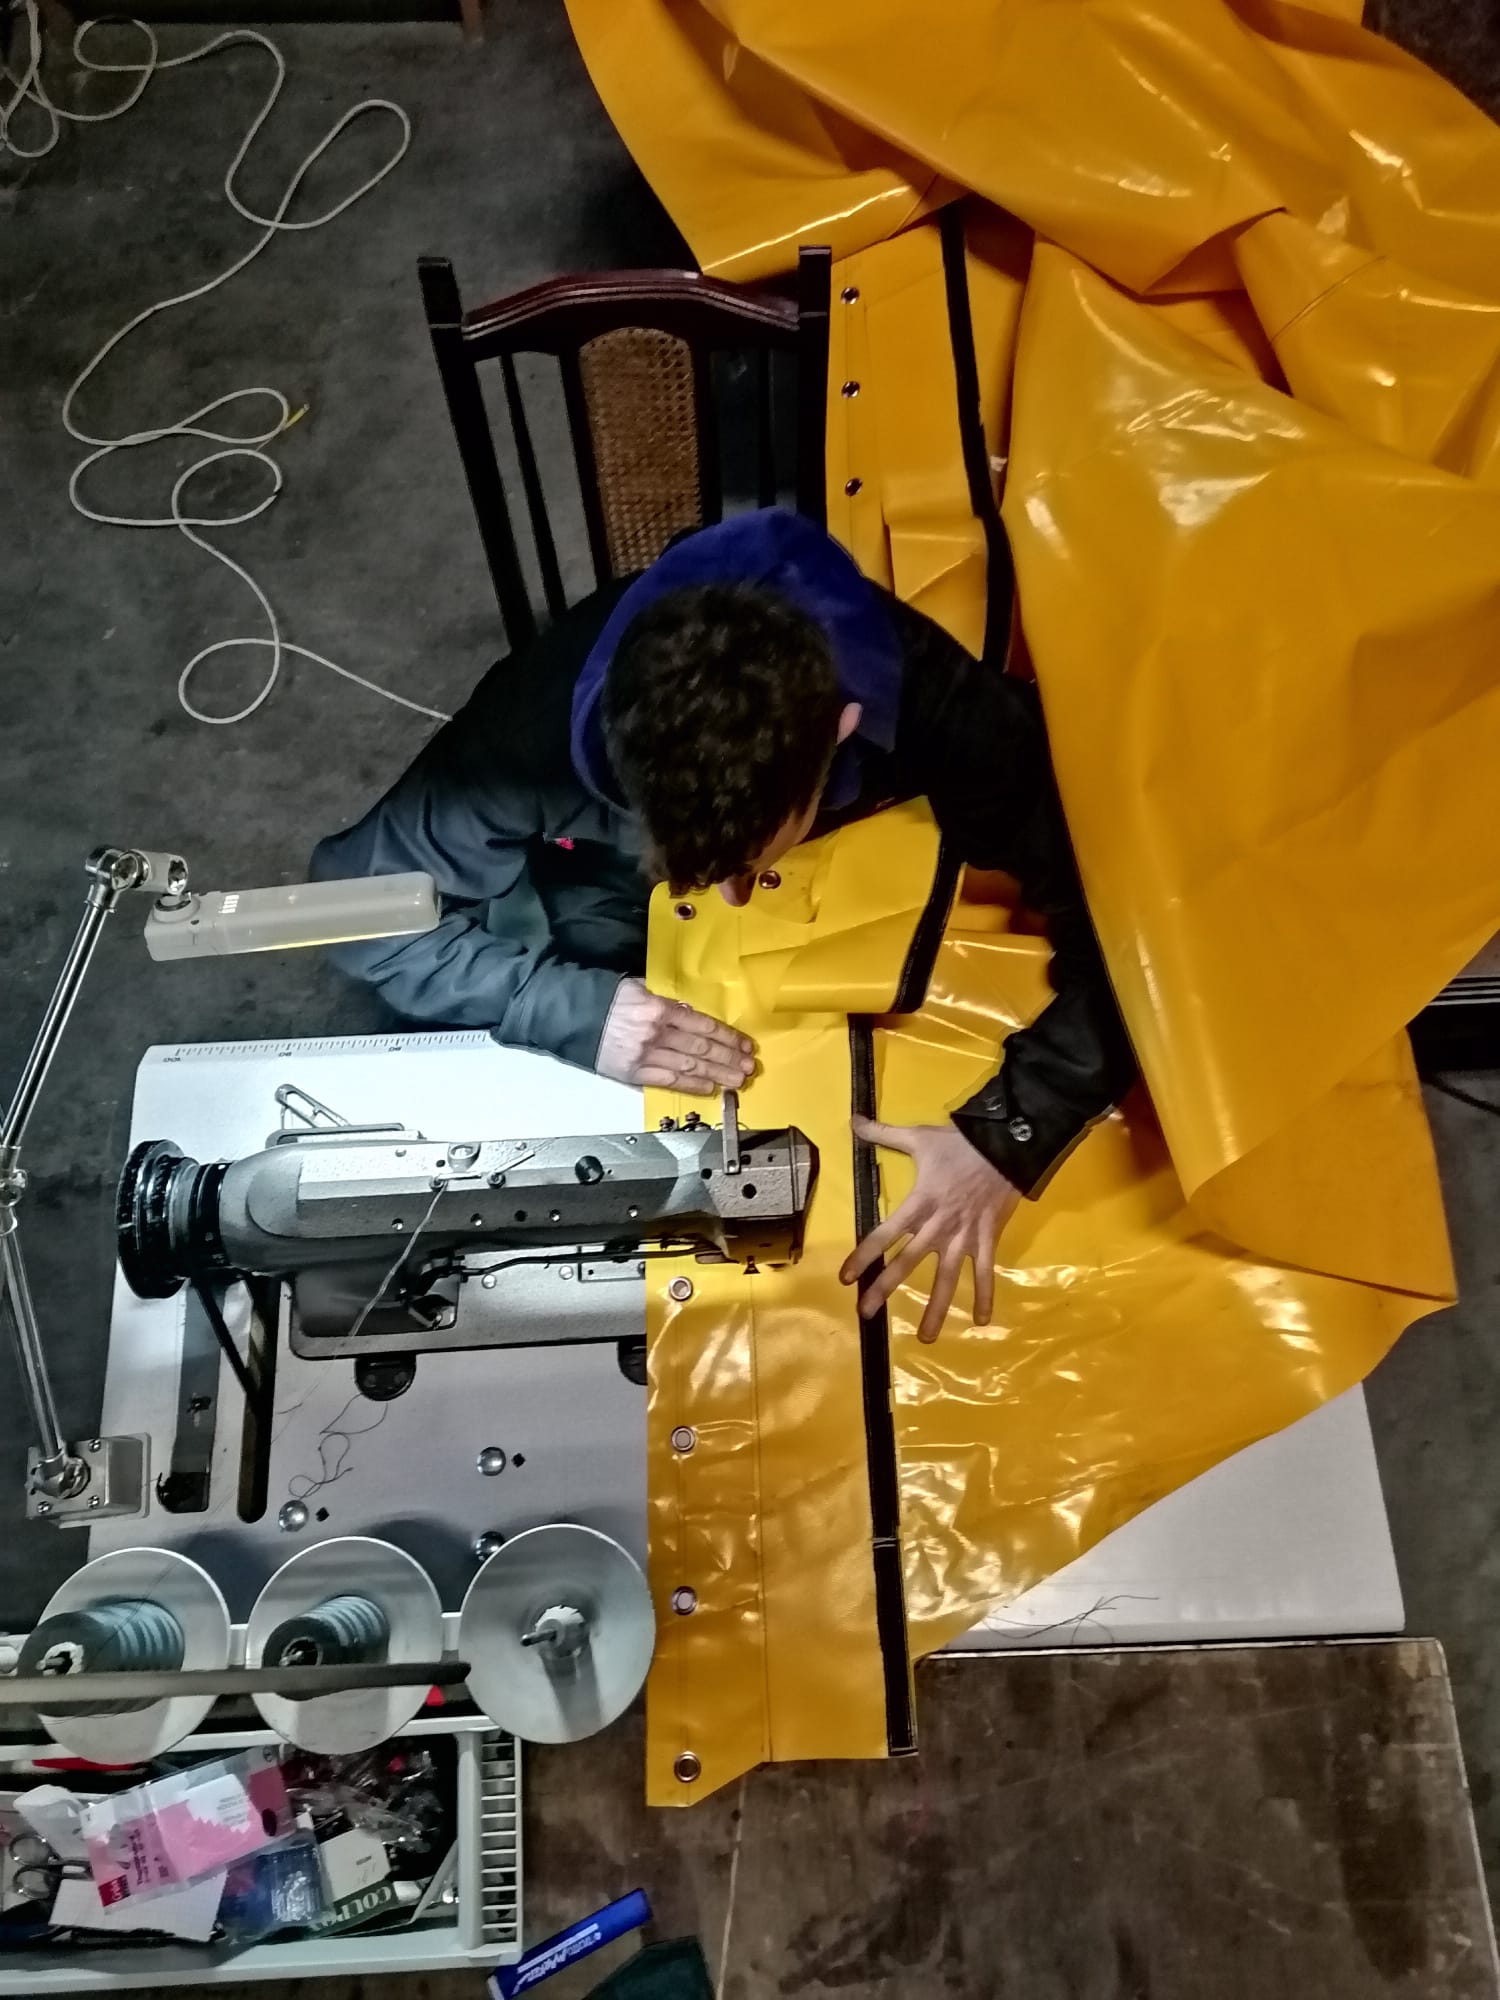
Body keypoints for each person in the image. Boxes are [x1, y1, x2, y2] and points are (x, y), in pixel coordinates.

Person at [311, 507, 1136, 1340]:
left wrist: (1009, 1132)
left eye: (748, 864)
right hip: (609, 902)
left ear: (841, 733)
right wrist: (568, 1009)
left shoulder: (941, 706)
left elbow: (1133, 928)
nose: (732, 899)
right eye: (701, 873)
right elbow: (347, 911)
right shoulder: (521, 740)